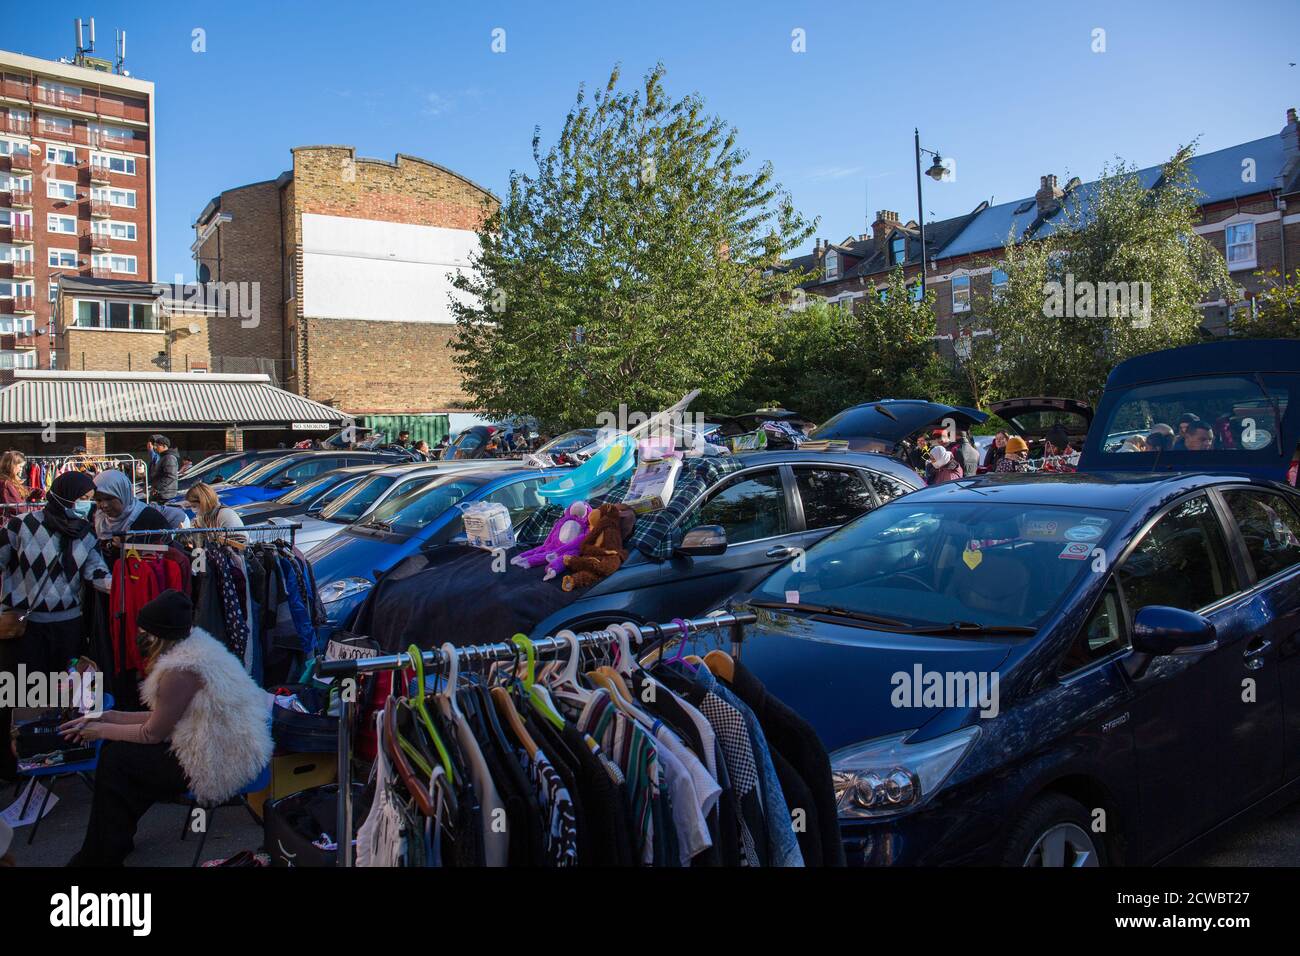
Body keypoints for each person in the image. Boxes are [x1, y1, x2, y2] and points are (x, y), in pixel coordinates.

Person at [62, 589, 273, 867]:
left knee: (117, 760)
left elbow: (152, 733)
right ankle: (110, 844)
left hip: (217, 762)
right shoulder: (198, 652)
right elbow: (161, 719)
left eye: (143, 629)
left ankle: (102, 855)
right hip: (225, 745)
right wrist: (106, 716)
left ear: (157, 635)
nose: (138, 634)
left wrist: (100, 730)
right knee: (121, 757)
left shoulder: (180, 672)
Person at [0, 472, 111, 676]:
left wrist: (130, 588)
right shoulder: (21, 525)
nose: (88, 505)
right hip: (24, 627)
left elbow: (96, 573)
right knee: (23, 692)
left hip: (67, 628)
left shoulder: (86, 533)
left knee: (64, 691)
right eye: (83, 499)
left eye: (90, 499)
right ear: (64, 496)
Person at [93, 469, 171, 562]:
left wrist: (129, 546)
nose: (104, 505)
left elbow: (167, 551)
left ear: (123, 494)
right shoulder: (99, 518)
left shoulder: (148, 517)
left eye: (109, 498)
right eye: (99, 500)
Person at [184, 482, 246, 547]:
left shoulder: (225, 515)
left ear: (204, 502)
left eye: (194, 506)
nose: (193, 510)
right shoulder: (202, 516)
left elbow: (236, 546)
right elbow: (199, 542)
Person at [148, 435, 179, 503]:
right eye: (155, 445)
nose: (155, 448)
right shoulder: (163, 457)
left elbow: (170, 476)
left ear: (164, 446)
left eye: (157, 445)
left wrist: (157, 488)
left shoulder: (169, 458)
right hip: (161, 493)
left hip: (165, 495)